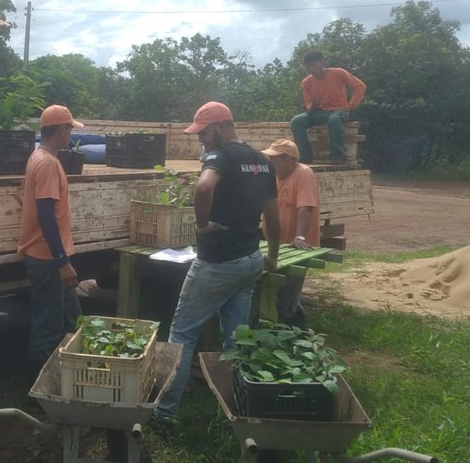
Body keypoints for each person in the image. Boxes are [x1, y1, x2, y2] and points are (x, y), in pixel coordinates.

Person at [155, 101, 281, 422]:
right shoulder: (263, 162)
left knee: (182, 334)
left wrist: (202, 223)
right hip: (250, 259)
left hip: (217, 264)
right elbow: (273, 218)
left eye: (204, 132)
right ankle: (237, 407)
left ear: (223, 127)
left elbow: (203, 186)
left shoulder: (221, 156)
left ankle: (165, 414)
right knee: (236, 338)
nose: (201, 140)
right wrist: (273, 257)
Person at [17, 105, 85, 381]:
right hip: (47, 259)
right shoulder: (46, 163)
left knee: (72, 319)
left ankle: (72, 377)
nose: (71, 134)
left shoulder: (41, 157)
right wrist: (62, 261)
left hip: (50, 257)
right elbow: (46, 215)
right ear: (62, 130)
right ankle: (41, 387)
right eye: (70, 128)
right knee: (48, 326)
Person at [261, 139, 319, 328]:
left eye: (274, 158)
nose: (270, 161)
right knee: (277, 289)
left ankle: (289, 332)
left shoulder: (303, 174)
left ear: (287, 159)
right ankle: (293, 327)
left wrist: (299, 236)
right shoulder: (274, 176)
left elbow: (306, 207)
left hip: (295, 245)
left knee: (288, 291)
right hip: (278, 243)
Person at [290, 51, 366, 164]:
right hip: (319, 113)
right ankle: (306, 156)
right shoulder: (306, 82)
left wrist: (350, 106)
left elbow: (360, 86)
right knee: (296, 121)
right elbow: (308, 105)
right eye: (308, 67)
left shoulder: (338, 73)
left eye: (313, 65)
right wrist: (312, 107)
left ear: (321, 62)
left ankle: (337, 156)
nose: (311, 68)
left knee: (334, 120)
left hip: (339, 111)